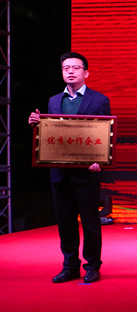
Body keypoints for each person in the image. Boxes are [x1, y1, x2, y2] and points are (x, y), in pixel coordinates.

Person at [28, 52, 111, 284]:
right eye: (66, 68)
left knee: (90, 223)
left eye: (75, 68)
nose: (70, 72)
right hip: (60, 172)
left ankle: (92, 266)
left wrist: (101, 160)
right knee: (65, 223)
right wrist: (37, 124)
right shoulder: (54, 101)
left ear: (86, 73)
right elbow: (52, 132)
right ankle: (70, 266)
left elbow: (104, 133)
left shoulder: (99, 100)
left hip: (87, 173)